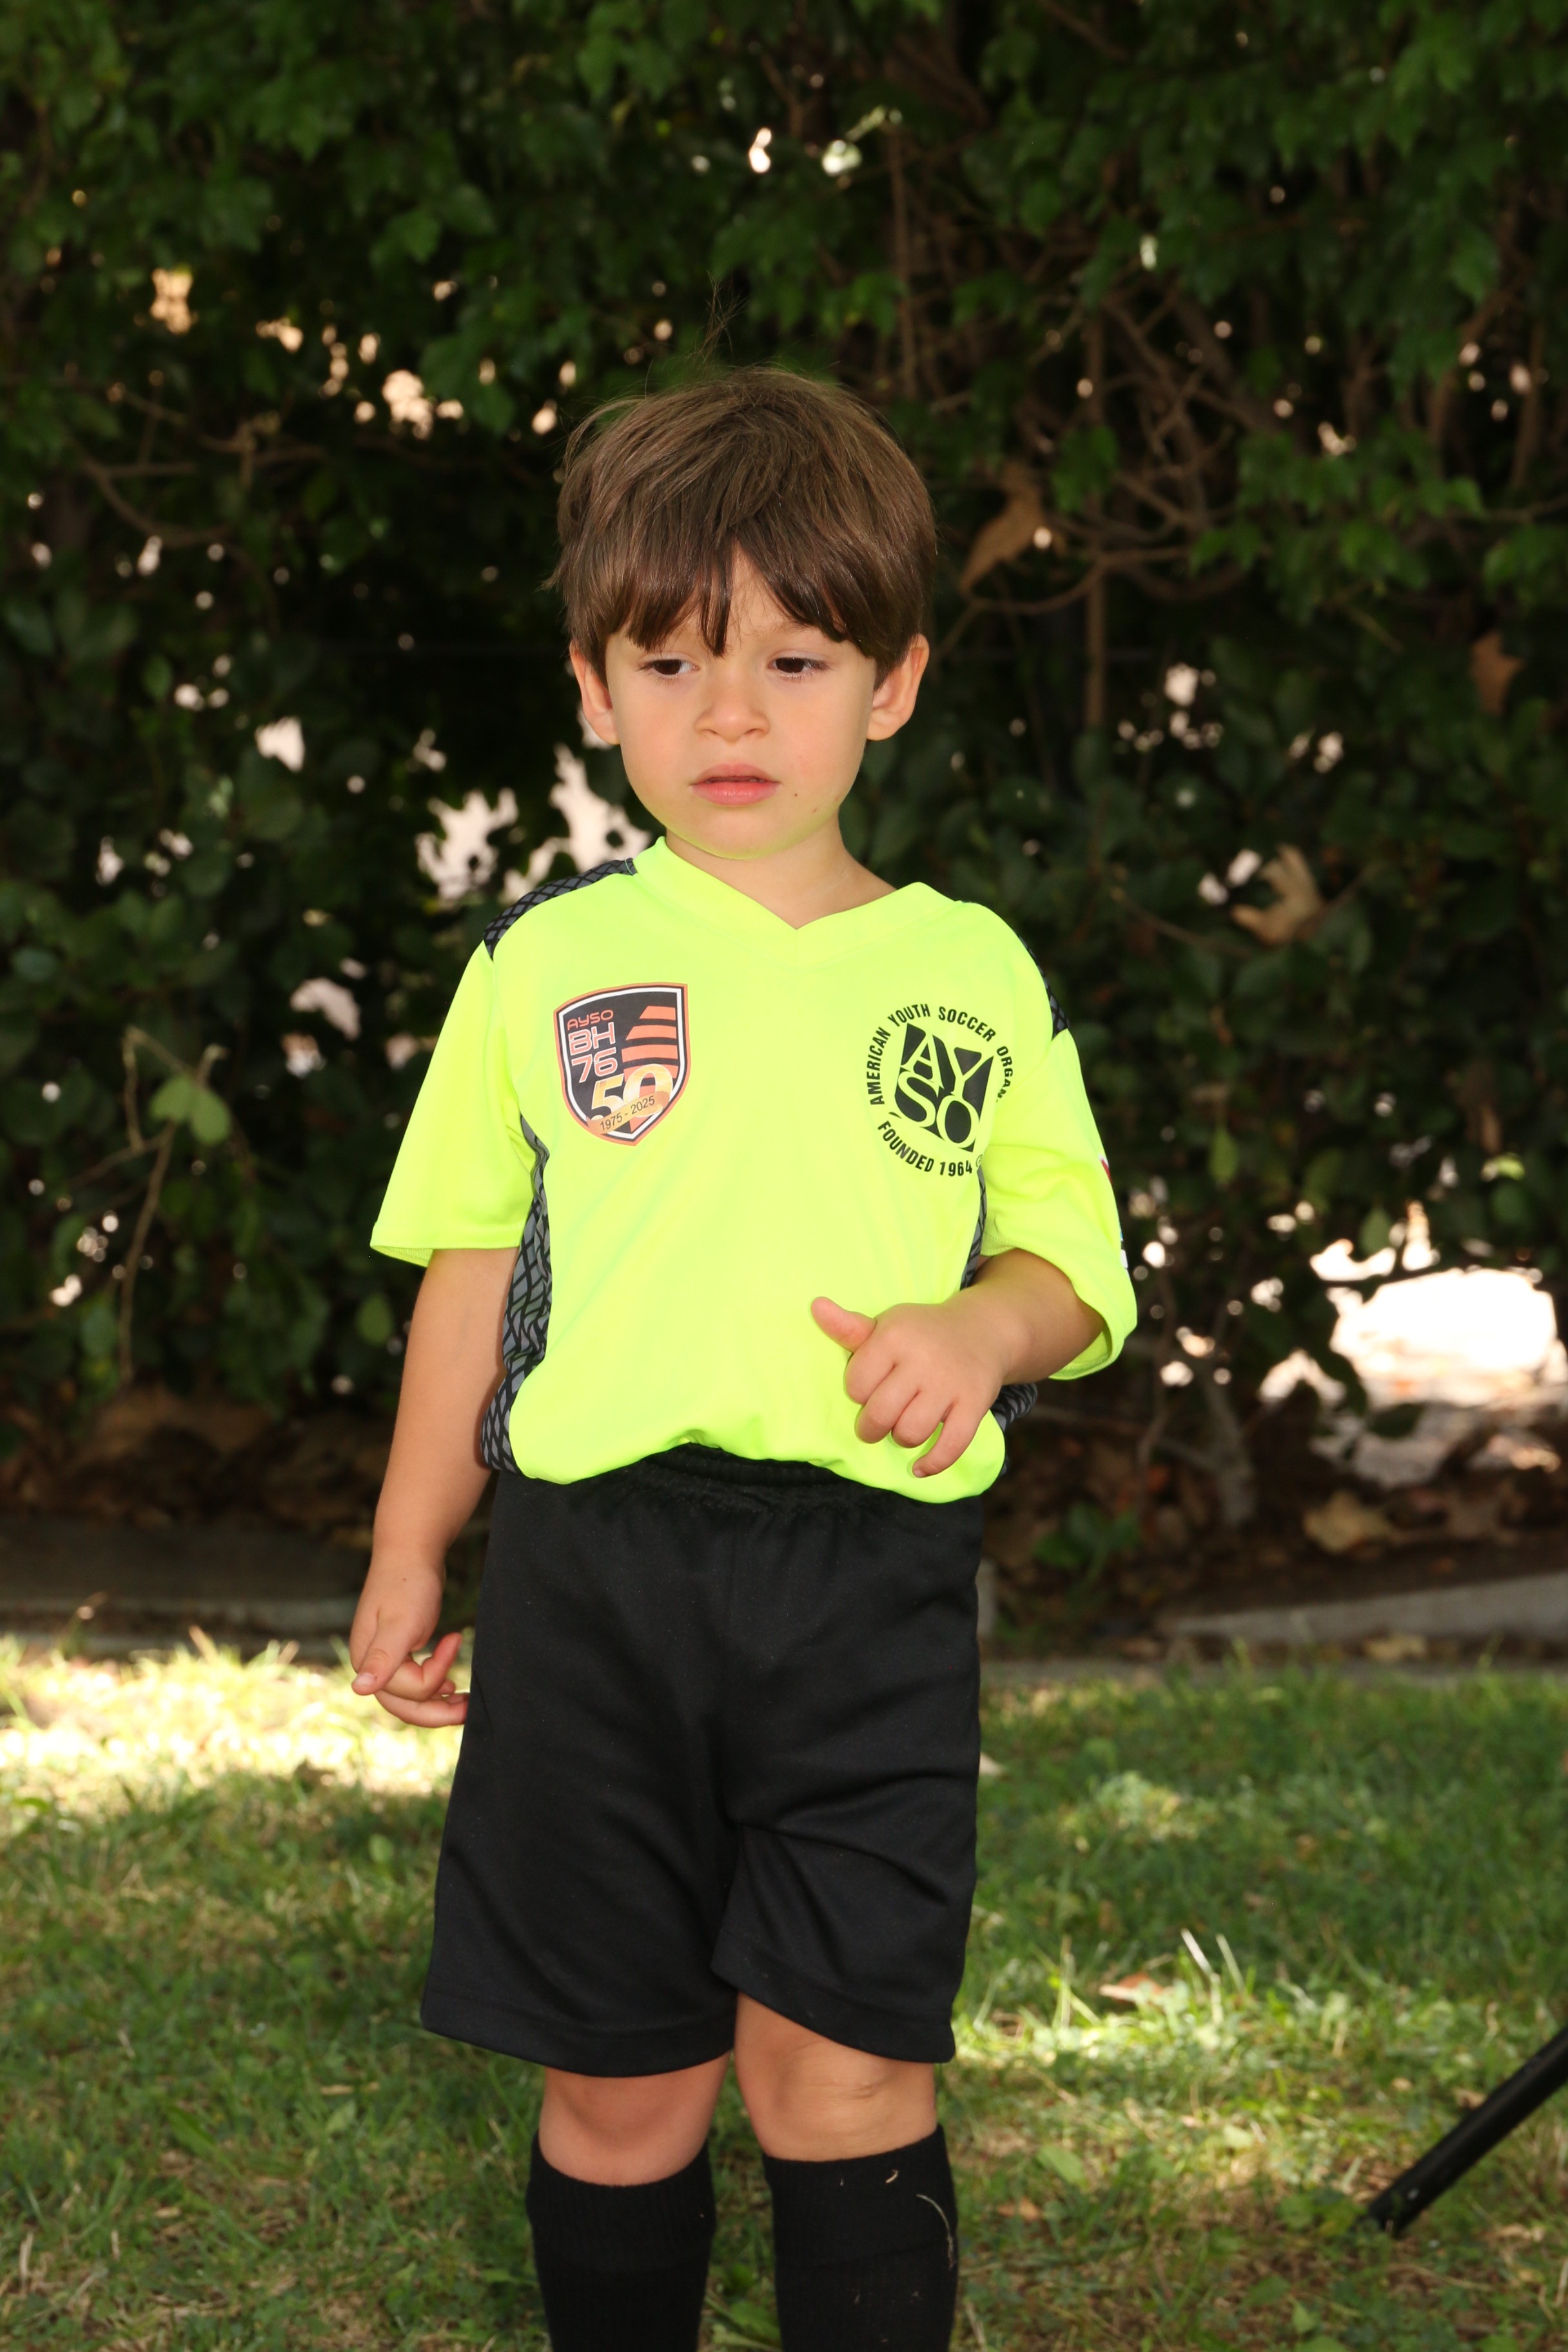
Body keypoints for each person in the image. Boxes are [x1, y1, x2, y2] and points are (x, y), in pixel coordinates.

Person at [349, 366, 1135, 2352]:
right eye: (672, 661)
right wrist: (412, 1548)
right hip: (595, 1579)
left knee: (841, 2080)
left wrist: (982, 1325)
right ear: (592, 690)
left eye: (794, 661)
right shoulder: (542, 969)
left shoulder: (969, 970)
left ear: (894, 684)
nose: (730, 716)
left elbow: (1074, 1265)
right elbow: (472, 1275)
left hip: (868, 1587)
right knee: (625, 2090)